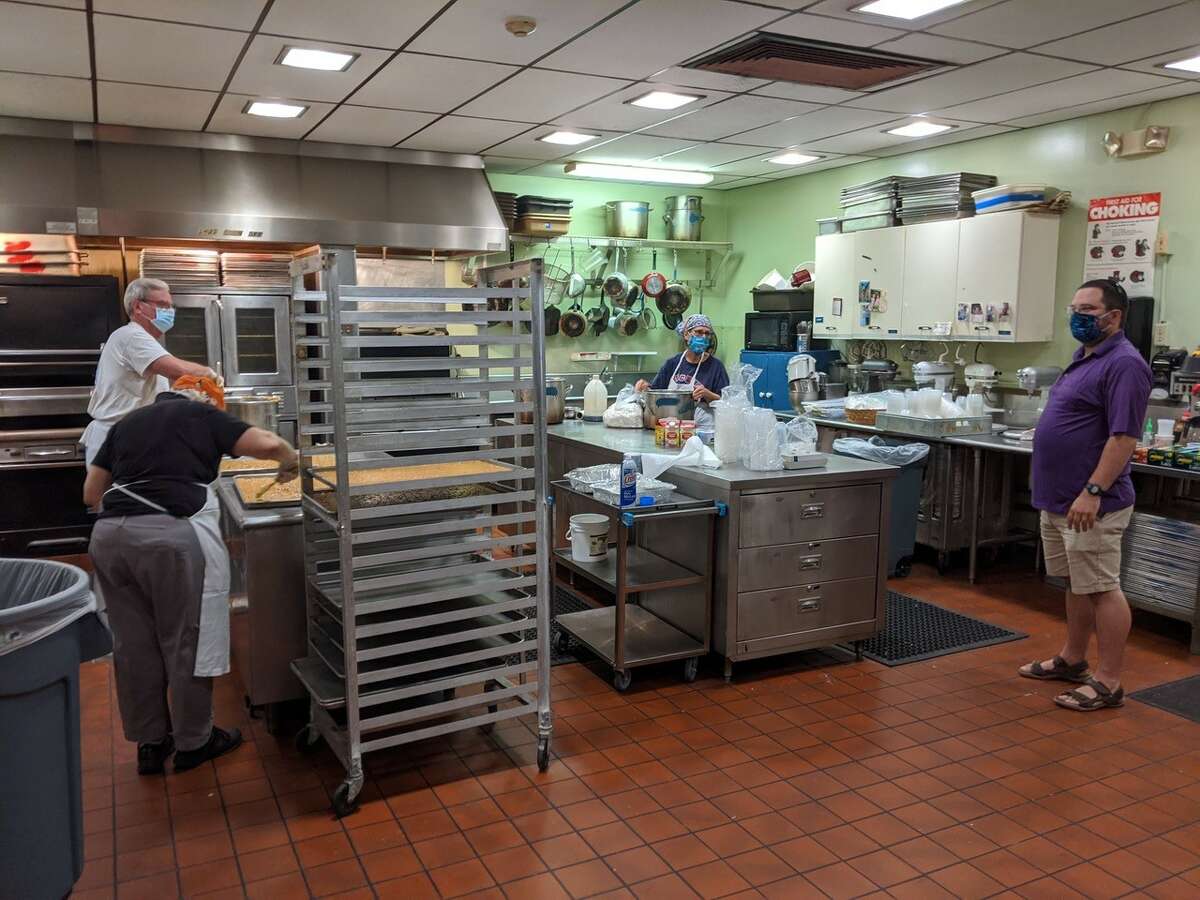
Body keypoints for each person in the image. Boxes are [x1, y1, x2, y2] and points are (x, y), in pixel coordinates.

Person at [84, 376, 299, 774]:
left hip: (109, 538)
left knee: (133, 644)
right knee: (184, 639)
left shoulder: (127, 423)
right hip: (167, 538)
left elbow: (91, 492)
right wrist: (290, 458)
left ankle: (150, 744)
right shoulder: (202, 414)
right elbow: (267, 444)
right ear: (205, 398)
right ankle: (194, 742)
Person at [1019, 279, 1151, 711]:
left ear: (1113, 317)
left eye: (1088, 309)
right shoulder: (1084, 357)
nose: (1077, 316)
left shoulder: (1125, 364)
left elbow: (1124, 437)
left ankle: (1109, 680)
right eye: (1073, 307)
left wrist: (1094, 490)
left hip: (1092, 503)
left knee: (1102, 588)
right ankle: (1073, 659)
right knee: (1076, 583)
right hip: (1058, 500)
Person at [81, 278, 218, 465]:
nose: (169, 312)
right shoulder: (131, 336)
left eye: (171, 307)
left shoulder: (144, 340)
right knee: (123, 494)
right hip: (120, 440)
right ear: (138, 307)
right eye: (162, 305)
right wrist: (211, 375)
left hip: (132, 437)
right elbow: (178, 370)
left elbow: (152, 393)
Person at [636, 313, 730, 404]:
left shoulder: (716, 367)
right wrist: (645, 387)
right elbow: (655, 392)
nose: (704, 337)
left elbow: (725, 402)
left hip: (701, 418)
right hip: (670, 415)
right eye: (699, 332)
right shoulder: (672, 363)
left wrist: (707, 394)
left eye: (707, 333)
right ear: (686, 335)